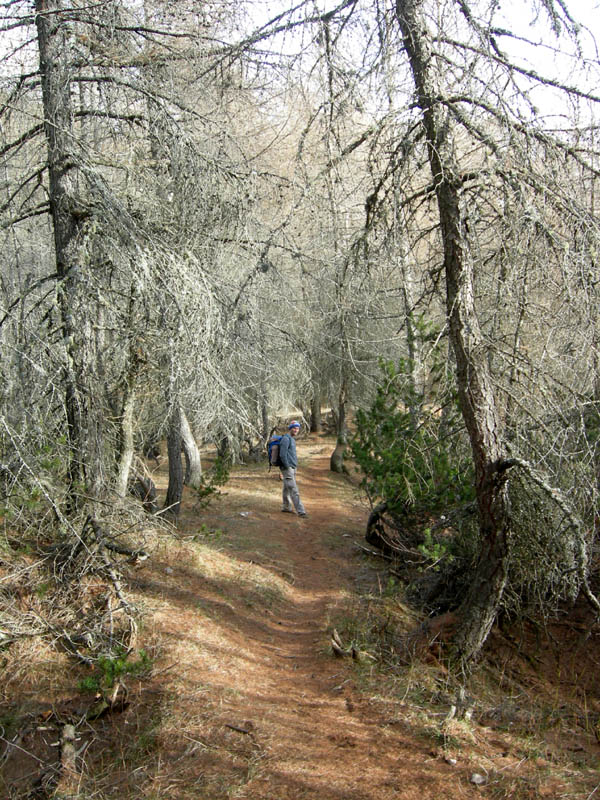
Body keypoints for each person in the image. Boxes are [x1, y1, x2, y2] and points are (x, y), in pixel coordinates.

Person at [279, 420, 307, 517]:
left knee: (286, 488)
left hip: (292, 467)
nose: (296, 430)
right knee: (293, 489)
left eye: (297, 428)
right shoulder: (286, 439)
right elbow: (282, 455)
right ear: (290, 428)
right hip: (288, 468)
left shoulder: (292, 439)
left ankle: (286, 507)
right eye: (294, 428)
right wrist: (287, 467)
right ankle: (301, 511)